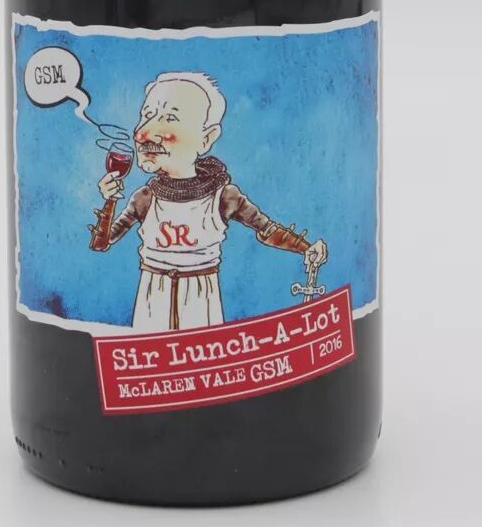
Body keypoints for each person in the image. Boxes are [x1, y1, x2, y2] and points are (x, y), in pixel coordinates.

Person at [89, 70, 327, 332]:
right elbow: (102, 243)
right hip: (152, 301)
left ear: (206, 138)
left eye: (170, 118)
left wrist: (306, 248)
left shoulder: (223, 197)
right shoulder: (145, 199)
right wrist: (109, 201)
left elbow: (267, 230)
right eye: (147, 115)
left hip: (200, 301)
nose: (143, 133)